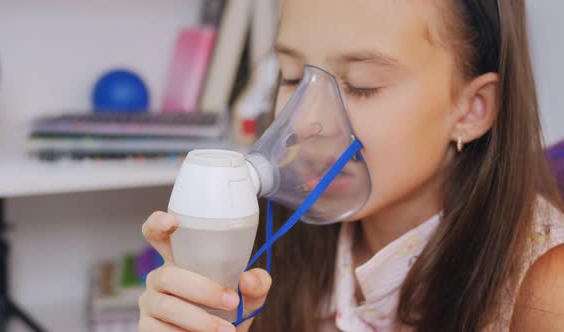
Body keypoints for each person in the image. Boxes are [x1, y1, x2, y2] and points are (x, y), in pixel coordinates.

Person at [138, 0, 564, 331]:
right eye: (290, 77)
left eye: (362, 86)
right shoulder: (267, 253)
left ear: (471, 109)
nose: (305, 121)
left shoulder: (546, 291)